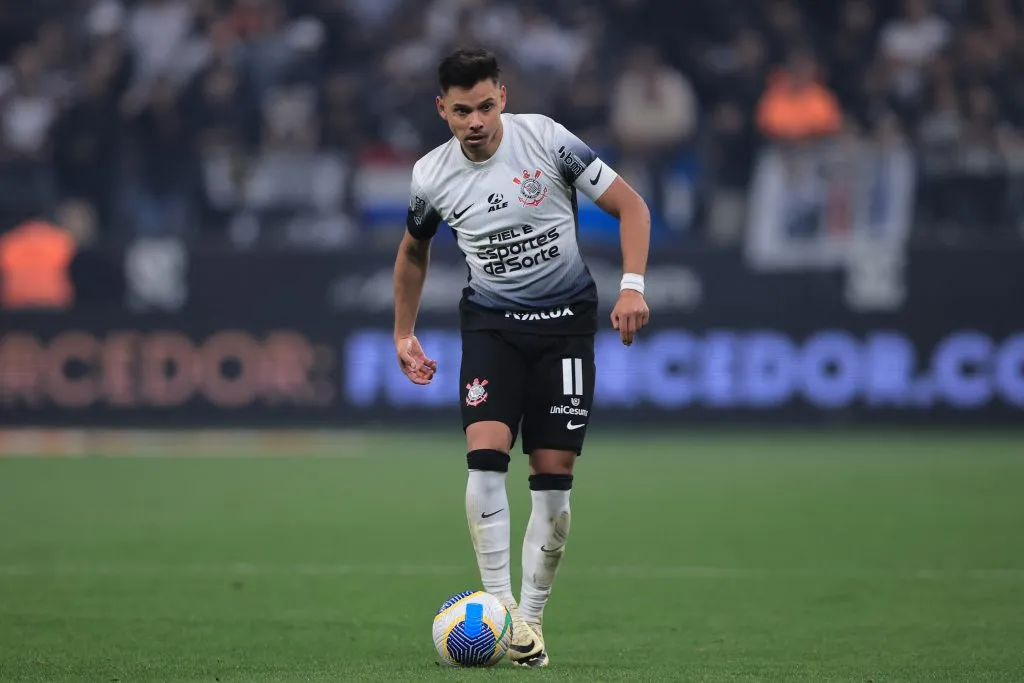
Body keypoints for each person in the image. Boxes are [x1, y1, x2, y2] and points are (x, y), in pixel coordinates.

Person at [392, 47, 650, 667]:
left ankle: (530, 620)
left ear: (501, 98)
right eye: (461, 111)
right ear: (442, 111)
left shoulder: (548, 141)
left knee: (553, 489)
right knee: (484, 460)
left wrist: (633, 285)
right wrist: (404, 332)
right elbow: (413, 252)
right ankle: (502, 609)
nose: (475, 121)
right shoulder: (431, 176)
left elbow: (630, 206)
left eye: (485, 106)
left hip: (564, 328)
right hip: (491, 327)